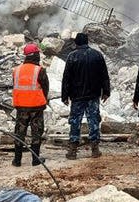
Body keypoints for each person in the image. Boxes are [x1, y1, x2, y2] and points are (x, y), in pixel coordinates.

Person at [61, 32, 110, 160]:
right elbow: (104, 75)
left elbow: (66, 78)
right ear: (87, 42)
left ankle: (72, 150)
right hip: (93, 95)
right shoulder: (97, 55)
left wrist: (64, 96)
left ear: (76, 43)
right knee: (93, 120)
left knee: (75, 122)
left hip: (77, 96)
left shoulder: (72, 56)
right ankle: (95, 149)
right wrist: (106, 91)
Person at [12, 43, 49, 167]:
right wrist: (44, 101)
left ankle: (17, 160)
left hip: (21, 107)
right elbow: (45, 88)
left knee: (19, 132)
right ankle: (35, 159)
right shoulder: (40, 70)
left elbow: (16, 86)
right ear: (36, 55)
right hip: (36, 107)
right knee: (36, 132)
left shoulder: (16, 70)